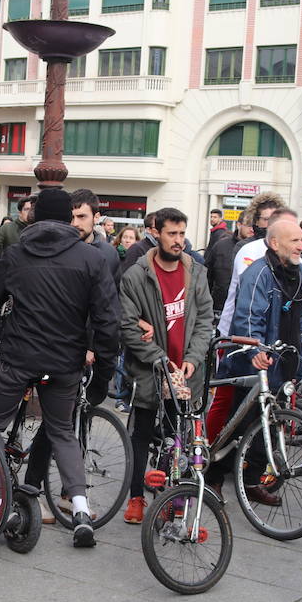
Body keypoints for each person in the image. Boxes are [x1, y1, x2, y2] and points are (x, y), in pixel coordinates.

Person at [0, 187, 119, 547]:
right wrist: (104, 371)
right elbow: (107, 322)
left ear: (35, 216)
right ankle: (81, 510)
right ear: (69, 218)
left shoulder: (16, 254)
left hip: (19, 358)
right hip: (65, 361)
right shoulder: (91, 259)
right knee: (62, 431)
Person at [213, 215, 302, 504]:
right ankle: (215, 478)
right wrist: (255, 351)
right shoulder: (258, 273)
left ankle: (250, 482)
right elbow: (248, 319)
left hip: (284, 363)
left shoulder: (299, 271)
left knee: (270, 426)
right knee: (240, 425)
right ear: (275, 243)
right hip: (255, 365)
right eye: (295, 240)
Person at [118, 207, 213, 524]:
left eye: (183, 233)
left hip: (185, 372)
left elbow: (204, 323)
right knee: (141, 435)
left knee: (176, 438)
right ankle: (135, 498)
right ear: (155, 233)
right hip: (150, 371)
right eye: (172, 233)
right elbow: (128, 325)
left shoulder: (196, 272)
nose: (179, 240)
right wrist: (159, 358)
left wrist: (191, 359)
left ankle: (167, 497)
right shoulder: (136, 275)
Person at [215, 194, 289, 334]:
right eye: (266, 219)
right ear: (256, 221)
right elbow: (247, 289)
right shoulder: (246, 248)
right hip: (241, 322)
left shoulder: (287, 248)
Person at [70, 188, 123, 283]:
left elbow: (114, 292)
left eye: (81, 217)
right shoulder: (59, 250)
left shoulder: (109, 253)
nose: (75, 223)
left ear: (96, 217)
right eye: (71, 217)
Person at [205, 211, 240, 321]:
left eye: (215, 217)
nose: (212, 219)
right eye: (211, 216)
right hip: (218, 302)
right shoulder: (216, 234)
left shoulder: (219, 234)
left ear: (221, 219)